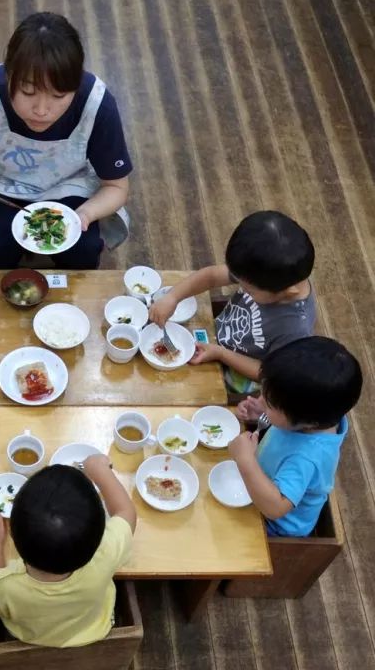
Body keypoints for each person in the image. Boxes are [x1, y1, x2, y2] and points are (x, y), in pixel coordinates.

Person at [0, 12, 132, 270]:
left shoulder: (97, 103)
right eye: (28, 92)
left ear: (77, 85)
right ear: (8, 74)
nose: (42, 110)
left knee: (82, 250)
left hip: (70, 186)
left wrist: (85, 214)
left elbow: (117, 187)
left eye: (58, 95)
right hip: (0, 189)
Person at [0, 457, 136, 647]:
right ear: (99, 532)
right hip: (93, 626)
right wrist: (101, 471)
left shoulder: (2, 585)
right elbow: (126, 512)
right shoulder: (106, 551)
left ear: (14, 537)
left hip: (29, 636)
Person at [149, 210, 315, 395]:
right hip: (213, 339)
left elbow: (269, 373)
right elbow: (211, 277)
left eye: (249, 290)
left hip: (234, 380)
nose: (242, 286)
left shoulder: (295, 329)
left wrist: (221, 354)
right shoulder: (264, 271)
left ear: (288, 291)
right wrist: (172, 297)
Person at [230, 337, 361, 537]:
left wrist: (245, 460)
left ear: (309, 422)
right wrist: (264, 413)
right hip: (261, 484)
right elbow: (287, 418)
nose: (261, 400)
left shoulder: (306, 458)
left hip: (274, 527)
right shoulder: (313, 417)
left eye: (271, 403)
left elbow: (274, 508)